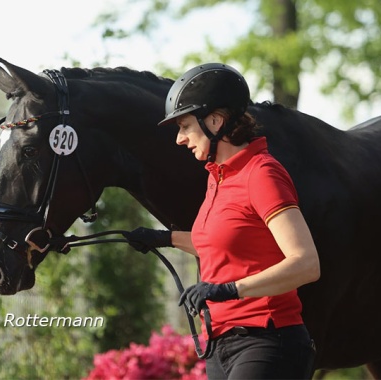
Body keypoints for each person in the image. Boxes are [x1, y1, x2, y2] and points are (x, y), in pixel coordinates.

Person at [123, 63, 320, 379]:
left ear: (215, 121)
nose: (180, 139)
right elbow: (220, 245)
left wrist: (230, 289)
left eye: (185, 126)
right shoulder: (219, 179)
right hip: (220, 344)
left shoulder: (262, 174)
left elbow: (306, 264)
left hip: (268, 340)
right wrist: (163, 238)